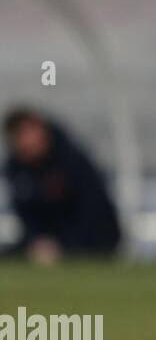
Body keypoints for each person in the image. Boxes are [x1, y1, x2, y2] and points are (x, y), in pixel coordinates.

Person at [2, 108, 121, 263]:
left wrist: (63, 245)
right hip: (44, 244)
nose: (26, 141)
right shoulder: (16, 168)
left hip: (89, 240)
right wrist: (37, 242)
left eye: (28, 132)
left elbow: (93, 212)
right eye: (19, 136)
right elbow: (27, 216)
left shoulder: (72, 160)